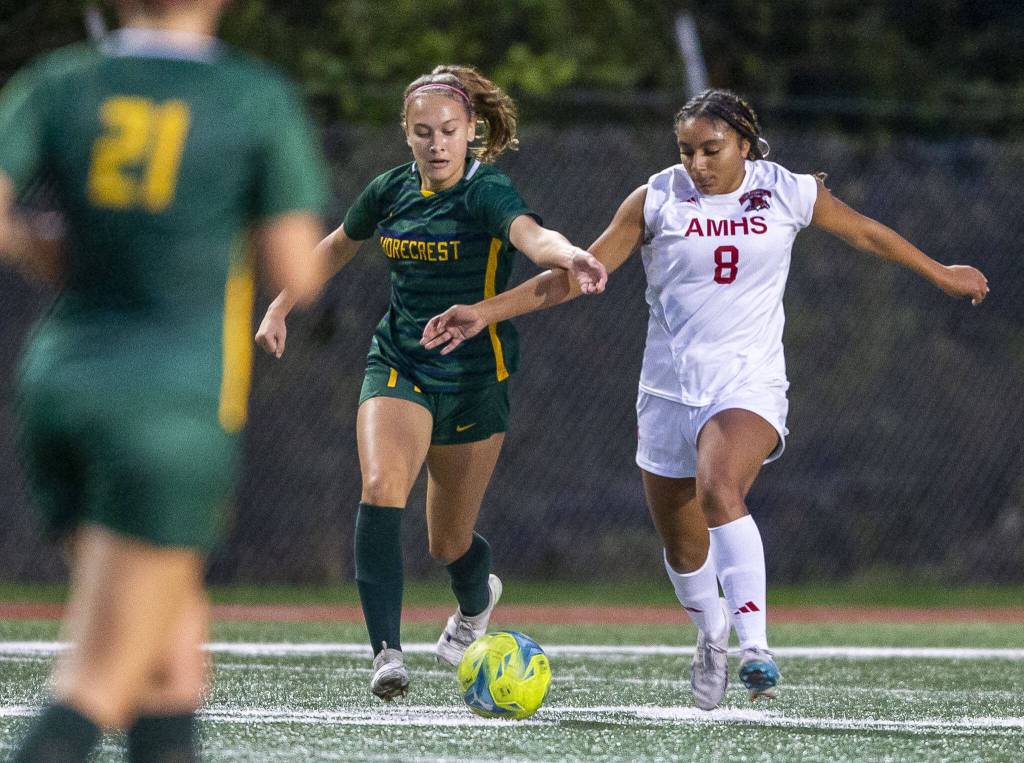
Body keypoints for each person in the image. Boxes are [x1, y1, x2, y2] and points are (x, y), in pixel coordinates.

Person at [420, 88, 989, 709]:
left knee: (722, 490)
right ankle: (712, 634)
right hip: (667, 389)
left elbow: (869, 235)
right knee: (684, 547)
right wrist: (486, 311)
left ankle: (756, 649)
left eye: (712, 149)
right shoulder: (656, 197)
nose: (698, 163)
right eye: (687, 150)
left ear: (746, 143)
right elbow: (573, 278)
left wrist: (941, 272)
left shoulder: (788, 191)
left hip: (748, 382)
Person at [0, 1, 328, 759]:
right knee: (97, 679)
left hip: (61, 385)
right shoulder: (251, 96)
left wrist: (43, 247)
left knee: (173, 663)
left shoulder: (57, 83)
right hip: (170, 405)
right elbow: (297, 271)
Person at [255, 64, 606, 701]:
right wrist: (280, 305)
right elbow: (335, 246)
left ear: (472, 130)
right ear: (407, 135)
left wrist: (568, 253)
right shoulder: (389, 190)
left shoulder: (486, 191)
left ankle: (477, 600)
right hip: (401, 362)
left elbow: (532, 236)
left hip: (476, 380)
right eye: (423, 132)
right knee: (382, 484)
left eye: (448, 130)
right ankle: (387, 652)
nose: (437, 143)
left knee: (448, 541)